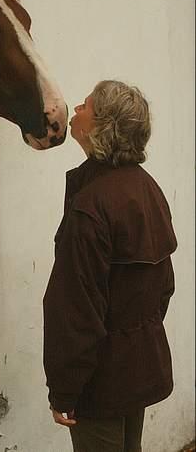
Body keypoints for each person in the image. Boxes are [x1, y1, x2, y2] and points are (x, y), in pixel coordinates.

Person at [43, 80, 177, 452]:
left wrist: (65, 390)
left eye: (86, 105)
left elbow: (75, 310)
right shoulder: (147, 188)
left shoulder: (92, 206)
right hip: (136, 367)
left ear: (102, 126)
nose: (76, 108)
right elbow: (163, 288)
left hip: (99, 381)